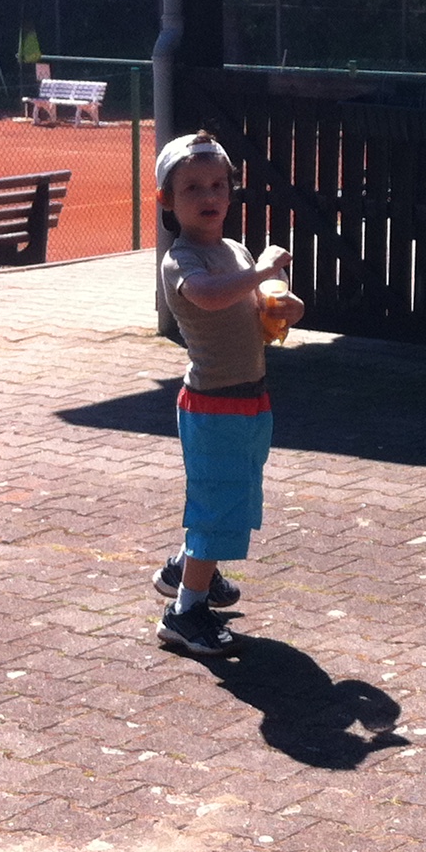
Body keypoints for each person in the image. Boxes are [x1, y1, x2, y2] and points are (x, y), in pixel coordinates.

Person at [153, 131, 303, 656]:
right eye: (192, 187)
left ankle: (185, 569)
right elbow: (212, 298)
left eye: (218, 184)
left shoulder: (235, 251)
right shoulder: (182, 261)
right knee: (218, 506)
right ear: (167, 200)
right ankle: (185, 613)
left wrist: (285, 308)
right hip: (213, 406)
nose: (209, 195)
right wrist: (261, 270)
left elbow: (255, 313)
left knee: (231, 496)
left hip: (250, 400)